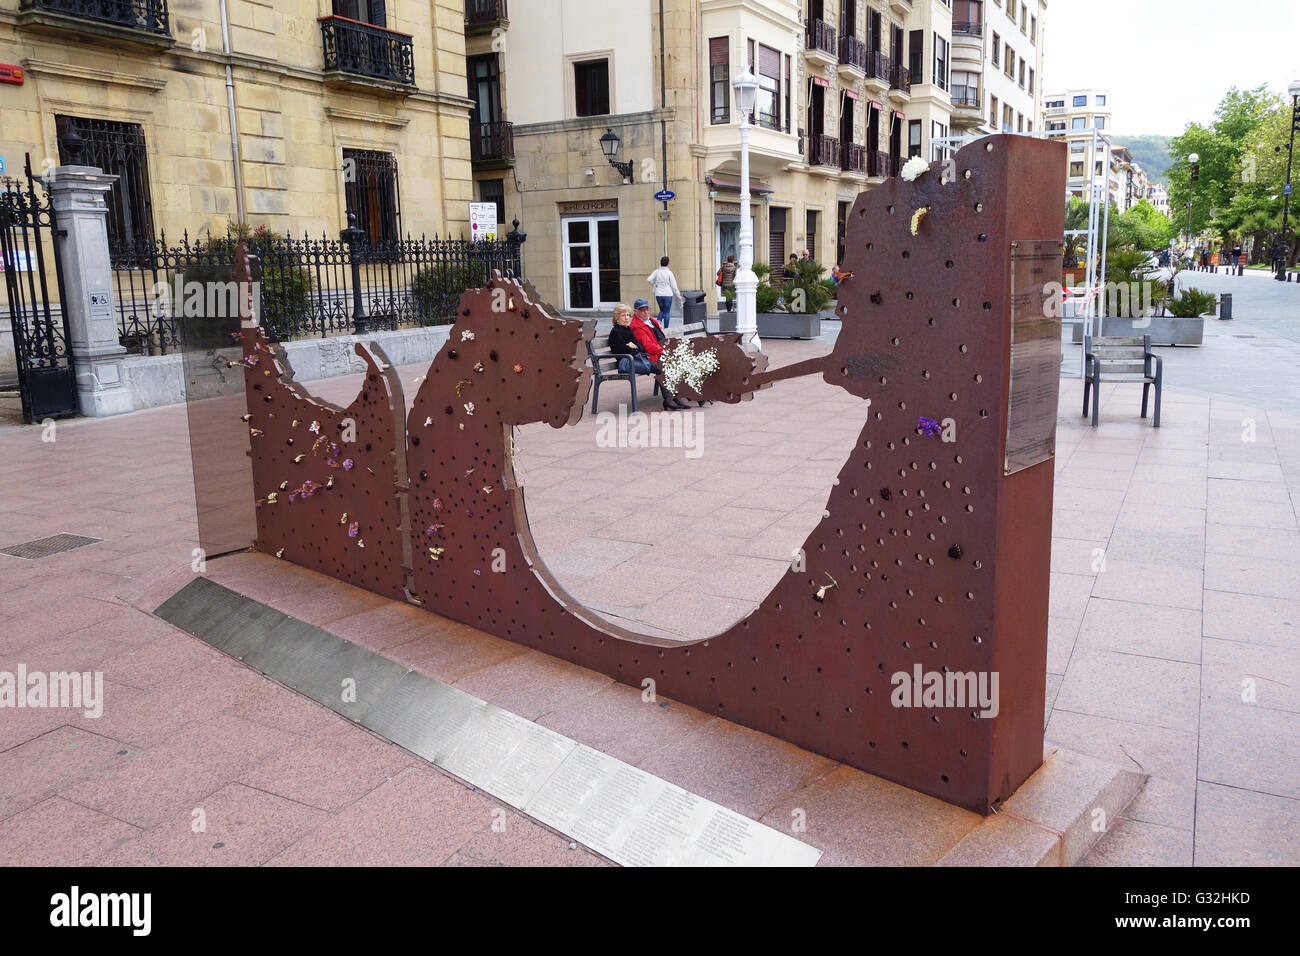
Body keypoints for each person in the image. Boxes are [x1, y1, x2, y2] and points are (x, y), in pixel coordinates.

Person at [611, 302, 689, 410]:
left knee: (664, 365)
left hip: (636, 359)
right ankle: (670, 399)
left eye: (628, 315)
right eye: (623, 315)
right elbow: (622, 350)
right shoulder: (616, 332)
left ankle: (673, 398)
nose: (626, 318)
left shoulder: (627, 329)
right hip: (626, 363)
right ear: (617, 317)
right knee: (661, 366)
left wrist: (634, 346)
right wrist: (633, 347)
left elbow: (640, 347)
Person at [646, 256, 683, 328]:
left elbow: (649, 280)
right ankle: (666, 328)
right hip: (668, 294)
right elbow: (674, 286)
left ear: (660, 263)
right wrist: (678, 295)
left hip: (658, 294)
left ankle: (658, 324)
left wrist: (655, 283)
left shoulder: (656, 272)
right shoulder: (669, 273)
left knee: (662, 311)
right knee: (667, 312)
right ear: (668, 263)